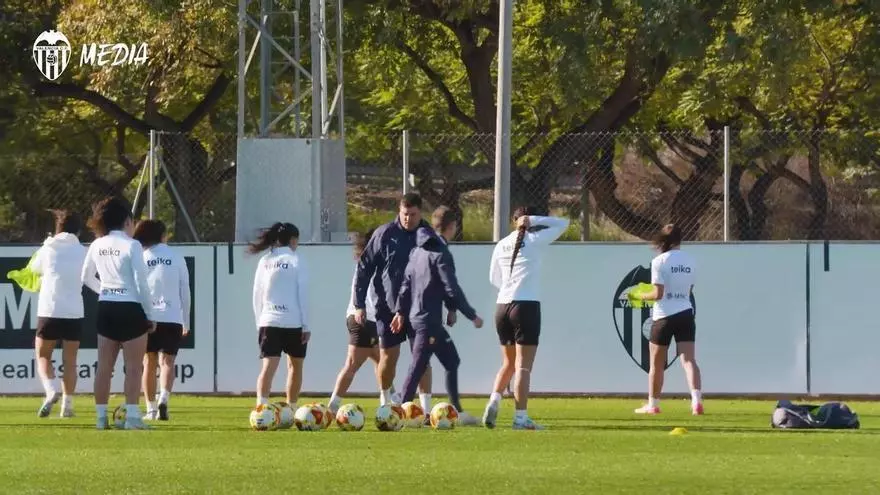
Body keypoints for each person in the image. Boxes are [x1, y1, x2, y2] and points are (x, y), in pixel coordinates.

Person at [392, 206, 483, 426]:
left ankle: (457, 412)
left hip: (419, 318)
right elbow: (450, 287)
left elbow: (406, 285)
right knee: (418, 366)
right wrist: (471, 315)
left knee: (452, 361)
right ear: (453, 227)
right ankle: (398, 413)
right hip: (427, 321)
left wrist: (400, 312)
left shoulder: (417, 251)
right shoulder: (440, 252)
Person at [482, 207, 569, 430]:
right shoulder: (535, 240)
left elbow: (494, 278)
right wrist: (533, 220)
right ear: (529, 221)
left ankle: (494, 400)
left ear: (513, 222)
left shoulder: (502, 244)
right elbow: (563, 223)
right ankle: (520, 418)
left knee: (508, 363)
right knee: (523, 367)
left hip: (502, 307)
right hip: (525, 306)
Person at [353, 193, 434, 412]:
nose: (408, 219)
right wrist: (358, 304)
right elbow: (364, 269)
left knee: (422, 357)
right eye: (404, 214)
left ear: (420, 213)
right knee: (389, 356)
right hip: (387, 308)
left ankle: (426, 411)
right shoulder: (384, 234)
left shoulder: (428, 235)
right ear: (399, 211)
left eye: (413, 215)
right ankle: (385, 403)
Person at [81, 197, 156, 430]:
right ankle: (133, 418)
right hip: (130, 307)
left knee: (104, 366)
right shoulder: (132, 245)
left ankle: (101, 418)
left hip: (106, 307)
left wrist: (104, 289)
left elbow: (85, 277)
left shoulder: (97, 244)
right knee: (134, 367)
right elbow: (141, 282)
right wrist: (149, 313)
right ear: (127, 221)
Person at [630, 224, 702, 415]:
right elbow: (689, 290)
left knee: (656, 364)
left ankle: (653, 404)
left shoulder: (659, 261)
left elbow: (658, 293)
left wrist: (638, 295)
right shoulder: (691, 261)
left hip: (663, 316)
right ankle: (696, 401)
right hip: (686, 313)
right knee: (689, 360)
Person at [31, 210, 88, 418]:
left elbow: (35, 269)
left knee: (43, 355)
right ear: (78, 231)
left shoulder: (48, 248)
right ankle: (68, 406)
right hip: (74, 311)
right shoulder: (82, 251)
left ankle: (51, 389)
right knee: (70, 360)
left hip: (49, 309)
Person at [133, 220, 191, 421]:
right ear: (163, 236)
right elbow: (185, 291)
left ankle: (150, 409)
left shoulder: (142, 257)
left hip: (149, 317)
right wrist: (186, 321)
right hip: (172, 317)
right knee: (168, 361)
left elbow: (137, 289)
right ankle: (164, 397)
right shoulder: (176, 257)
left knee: (148, 362)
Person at [251, 222, 309, 409]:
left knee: (268, 367)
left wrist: (259, 322)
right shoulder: (296, 260)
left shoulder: (265, 260)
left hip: (269, 321)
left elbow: (257, 294)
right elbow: (303, 294)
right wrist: (306, 325)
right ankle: (291, 409)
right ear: (293, 240)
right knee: (295, 367)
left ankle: (261, 408)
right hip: (293, 322)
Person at [328, 230, 382, 415]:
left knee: (381, 361)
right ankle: (332, 408)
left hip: (363, 317)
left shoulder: (368, 261)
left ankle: (389, 402)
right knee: (352, 364)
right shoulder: (372, 263)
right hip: (364, 319)